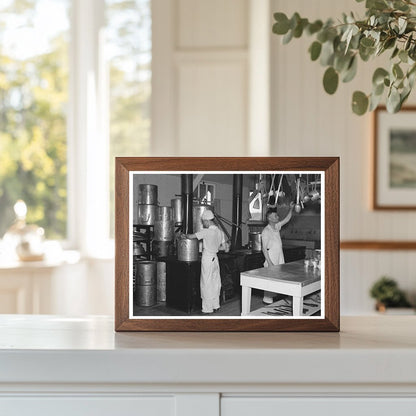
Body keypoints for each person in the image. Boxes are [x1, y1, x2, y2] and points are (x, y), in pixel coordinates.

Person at [185, 209, 227, 314]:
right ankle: (216, 305)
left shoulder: (206, 232)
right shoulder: (220, 232)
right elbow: (225, 248)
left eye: (203, 222)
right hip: (215, 259)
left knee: (206, 283)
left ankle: (207, 308)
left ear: (207, 221)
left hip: (208, 259)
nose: (203, 224)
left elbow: (191, 236)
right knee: (215, 282)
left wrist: (184, 235)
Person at [261, 202, 295, 304]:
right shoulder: (266, 231)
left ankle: (282, 298)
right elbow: (263, 248)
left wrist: (291, 209)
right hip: (271, 258)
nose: (278, 217)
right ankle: (267, 301)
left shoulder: (277, 226)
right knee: (269, 281)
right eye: (275, 216)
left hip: (279, 257)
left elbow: (287, 219)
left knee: (280, 279)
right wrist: (270, 263)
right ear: (270, 218)